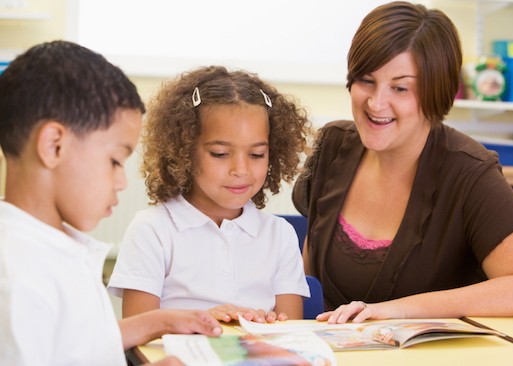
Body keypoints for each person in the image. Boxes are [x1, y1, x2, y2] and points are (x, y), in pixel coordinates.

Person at [292, 1, 513, 323]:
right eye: (366, 80)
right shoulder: (331, 145)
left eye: (400, 88)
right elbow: (305, 274)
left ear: (436, 92)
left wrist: (394, 311)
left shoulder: (470, 172)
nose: (376, 103)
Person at [0, 40, 222, 366]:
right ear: (53, 146)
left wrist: (161, 321)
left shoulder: (44, 244)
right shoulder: (17, 278)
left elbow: (77, 346)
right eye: (115, 161)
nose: (122, 181)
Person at [107, 65, 311, 323]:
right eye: (220, 154)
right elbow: (138, 337)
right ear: (184, 150)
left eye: (257, 154)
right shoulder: (153, 230)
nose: (241, 170)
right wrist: (200, 320)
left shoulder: (279, 235)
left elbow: (291, 332)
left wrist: (267, 326)